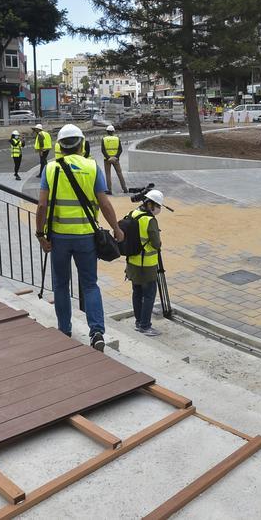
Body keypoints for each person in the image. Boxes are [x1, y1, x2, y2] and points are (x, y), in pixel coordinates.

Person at [35, 124, 123, 351]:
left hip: (59, 238)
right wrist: (116, 228)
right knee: (90, 285)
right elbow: (104, 203)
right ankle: (96, 332)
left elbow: (42, 205)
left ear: (60, 146)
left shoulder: (50, 169)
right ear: (82, 144)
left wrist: (40, 234)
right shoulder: (92, 167)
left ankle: (64, 330)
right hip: (86, 238)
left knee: (61, 285)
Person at [126, 189, 164, 336]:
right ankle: (145, 325)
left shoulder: (133, 213)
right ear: (150, 204)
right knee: (149, 295)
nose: (158, 209)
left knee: (137, 292)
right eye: (157, 206)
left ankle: (138, 321)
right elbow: (156, 244)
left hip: (132, 262)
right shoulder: (149, 220)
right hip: (147, 264)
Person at [100, 125, 127, 194]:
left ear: (107, 131)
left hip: (107, 160)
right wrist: (116, 157)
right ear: (113, 131)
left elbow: (103, 150)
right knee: (119, 173)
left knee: (108, 174)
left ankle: (109, 190)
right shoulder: (117, 139)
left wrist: (109, 158)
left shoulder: (104, 139)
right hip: (116, 160)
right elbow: (120, 149)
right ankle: (125, 189)